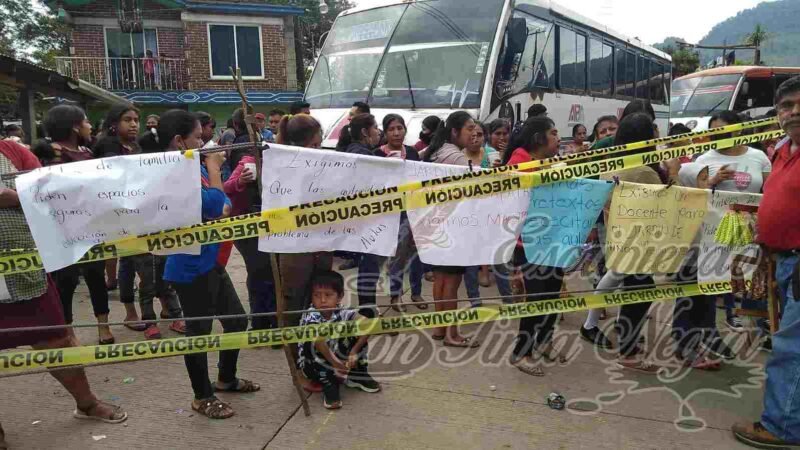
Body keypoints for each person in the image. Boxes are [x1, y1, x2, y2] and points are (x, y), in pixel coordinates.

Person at [0, 140, 128, 431]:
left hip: (24, 271)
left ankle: (87, 403)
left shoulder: (11, 151)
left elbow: (44, 190)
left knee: (56, 340)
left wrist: (15, 196)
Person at [153, 109, 258, 419]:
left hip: (211, 259)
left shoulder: (189, 169)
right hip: (190, 266)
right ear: (178, 140)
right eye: (199, 137)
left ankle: (226, 378)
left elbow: (220, 203)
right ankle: (202, 396)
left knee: (237, 321)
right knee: (198, 333)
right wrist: (214, 166)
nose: (206, 142)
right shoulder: (172, 172)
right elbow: (217, 206)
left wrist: (214, 179)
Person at [732, 75, 800, 449]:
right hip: (784, 260)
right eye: (786, 106)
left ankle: (783, 428)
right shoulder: (781, 150)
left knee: (791, 347)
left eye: (799, 104)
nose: (793, 112)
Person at [29, 105, 116, 344]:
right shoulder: (52, 153)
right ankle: (68, 331)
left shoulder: (88, 152)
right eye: (86, 121)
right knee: (65, 281)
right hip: (63, 229)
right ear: (75, 126)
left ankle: (104, 326)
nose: (90, 126)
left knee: (96, 276)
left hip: (91, 226)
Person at [597, 112, 666, 373]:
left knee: (632, 288)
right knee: (640, 291)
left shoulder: (610, 165)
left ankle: (628, 343)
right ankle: (629, 351)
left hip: (617, 238)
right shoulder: (644, 172)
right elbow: (665, 204)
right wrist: (673, 173)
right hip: (640, 240)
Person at [697, 110, 772, 333]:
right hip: (716, 230)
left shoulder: (758, 157)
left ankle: (759, 324)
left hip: (752, 228)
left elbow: (769, 190)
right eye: (712, 132)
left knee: (752, 276)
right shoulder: (704, 159)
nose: (716, 136)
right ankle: (725, 319)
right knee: (720, 275)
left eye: (721, 130)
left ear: (737, 129)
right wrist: (713, 180)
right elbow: (696, 194)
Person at [503, 117, 563, 376]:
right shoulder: (519, 164)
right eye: (553, 132)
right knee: (536, 297)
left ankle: (544, 341)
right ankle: (521, 352)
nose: (558, 137)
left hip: (551, 237)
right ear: (539, 138)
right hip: (527, 243)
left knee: (552, 291)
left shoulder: (546, 163)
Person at [422, 111, 480, 348]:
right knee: (452, 282)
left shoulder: (435, 152)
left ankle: (440, 328)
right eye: (469, 128)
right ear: (455, 131)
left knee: (441, 279)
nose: (473, 133)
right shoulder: (455, 158)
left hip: (435, 222)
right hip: (454, 224)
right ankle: (452, 334)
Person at [223, 114, 276, 332]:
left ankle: (273, 320)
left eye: (260, 127)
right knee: (258, 272)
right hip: (244, 224)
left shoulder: (274, 159)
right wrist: (240, 182)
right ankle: (259, 322)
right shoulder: (246, 161)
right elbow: (226, 187)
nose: (259, 130)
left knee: (270, 274)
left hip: (269, 223)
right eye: (254, 127)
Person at [298, 270, 381, 409]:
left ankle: (356, 374)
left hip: (336, 354)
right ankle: (328, 381)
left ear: (340, 297)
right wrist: (336, 364)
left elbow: (368, 324)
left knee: (359, 328)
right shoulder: (311, 316)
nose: (323, 300)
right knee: (312, 344)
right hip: (315, 362)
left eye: (328, 295)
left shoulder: (343, 311)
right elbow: (319, 343)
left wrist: (354, 351)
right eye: (317, 295)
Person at [670, 162, 721, 370]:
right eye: (701, 178)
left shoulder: (708, 200)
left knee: (705, 306)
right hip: (689, 265)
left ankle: (697, 345)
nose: (706, 182)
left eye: (707, 177)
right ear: (689, 180)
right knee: (688, 306)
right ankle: (686, 347)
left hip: (707, 263)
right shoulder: (684, 204)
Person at [379, 114, 426, 312]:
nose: (397, 133)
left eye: (400, 128)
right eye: (392, 129)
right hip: (392, 212)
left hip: (414, 209)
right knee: (398, 256)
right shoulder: (377, 154)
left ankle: (416, 292)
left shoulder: (413, 153)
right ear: (385, 132)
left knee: (417, 253)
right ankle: (395, 296)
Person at [342, 114, 385, 318]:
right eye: (375, 128)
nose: (379, 132)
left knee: (369, 268)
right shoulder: (363, 156)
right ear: (365, 132)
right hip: (368, 221)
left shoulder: (361, 152)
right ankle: (367, 312)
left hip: (366, 219)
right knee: (369, 268)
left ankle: (368, 309)